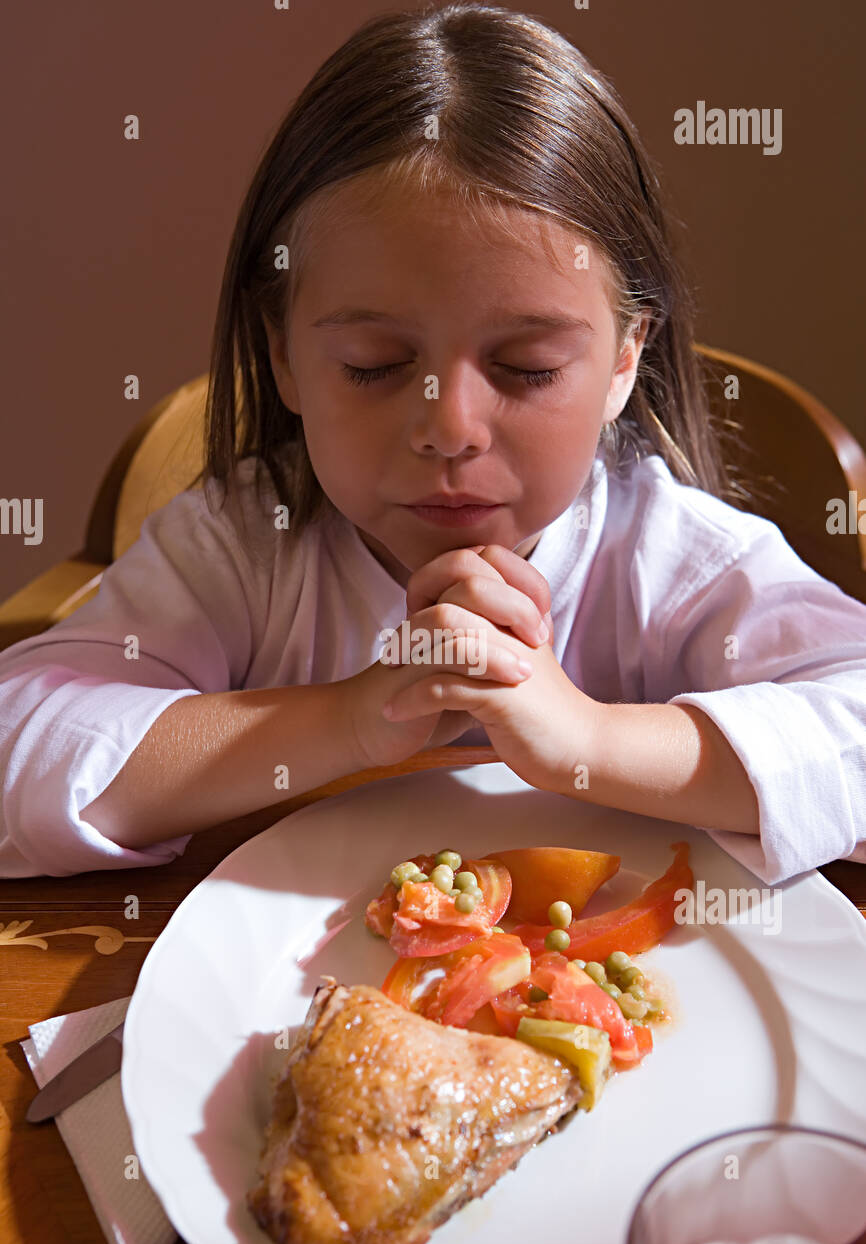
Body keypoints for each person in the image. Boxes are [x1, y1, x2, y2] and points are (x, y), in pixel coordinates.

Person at [1, 2, 864, 885]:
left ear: (622, 361)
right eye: (374, 365)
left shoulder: (672, 558)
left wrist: (588, 738)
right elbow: (16, 748)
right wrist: (348, 720)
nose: (448, 427)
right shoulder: (239, 549)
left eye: (527, 367)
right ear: (283, 355)